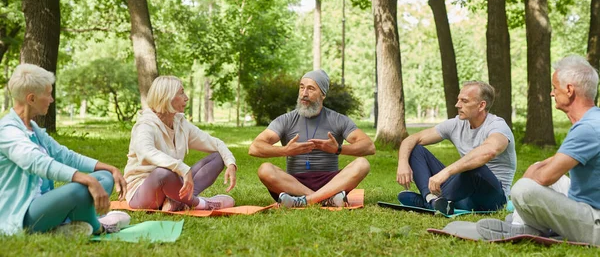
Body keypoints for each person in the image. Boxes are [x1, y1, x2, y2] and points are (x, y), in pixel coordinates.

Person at [477, 56, 600, 244]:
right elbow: (559, 162)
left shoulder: (587, 128)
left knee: (524, 189)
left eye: (554, 87)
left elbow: (544, 177)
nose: (551, 93)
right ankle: (523, 223)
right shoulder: (594, 119)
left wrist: (530, 177)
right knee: (538, 168)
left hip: (595, 224)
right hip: (589, 205)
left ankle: (525, 226)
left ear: (569, 90)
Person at [0, 64, 130, 236]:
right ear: (31, 99)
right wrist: (87, 180)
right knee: (81, 189)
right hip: (23, 216)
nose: (51, 99)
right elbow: (38, 163)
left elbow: (65, 155)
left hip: (47, 206)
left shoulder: (33, 129)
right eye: (48, 93)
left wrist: (111, 169)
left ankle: (64, 226)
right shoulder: (7, 131)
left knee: (104, 177)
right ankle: (99, 227)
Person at [249, 69, 375, 207]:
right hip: (294, 183)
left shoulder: (338, 120)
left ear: (323, 94)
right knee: (264, 169)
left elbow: (369, 146)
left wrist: (338, 149)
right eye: (302, 87)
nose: (304, 94)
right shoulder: (286, 120)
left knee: (362, 164)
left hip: (331, 182)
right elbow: (255, 148)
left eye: (311, 89)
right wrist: (285, 150)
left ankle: (303, 201)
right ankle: (325, 199)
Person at [396, 81, 516, 214]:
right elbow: (412, 139)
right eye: (458, 100)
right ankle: (431, 200)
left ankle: (428, 202)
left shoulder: (498, 126)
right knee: (415, 149)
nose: (457, 105)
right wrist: (402, 163)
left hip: (491, 199)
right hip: (462, 191)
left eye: (464, 101)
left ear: (481, 105)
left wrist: (446, 172)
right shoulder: (456, 124)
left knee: (474, 166)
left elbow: (488, 152)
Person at [124, 76, 237, 211]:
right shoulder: (145, 125)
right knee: (163, 173)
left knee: (218, 157)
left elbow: (215, 143)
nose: (186, 98)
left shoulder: (180, 122)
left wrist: (230, 163)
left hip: (175, 185)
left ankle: (176, 202)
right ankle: (202, 204)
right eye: (181, 92)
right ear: (167, 97)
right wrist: (182, 168)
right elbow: (146, 152)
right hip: (142, 193)